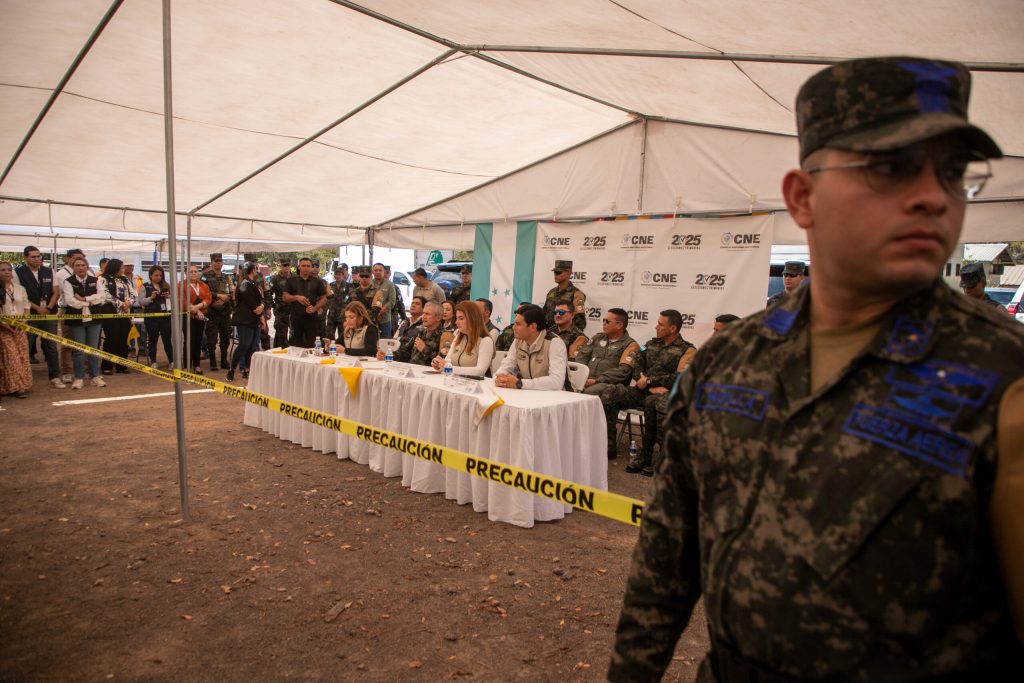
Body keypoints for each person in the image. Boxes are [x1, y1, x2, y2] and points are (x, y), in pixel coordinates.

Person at [610, 56, 1024, 681]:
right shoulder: (728, 359)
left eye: (953, 172)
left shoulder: (1002, 378)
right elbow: (666, 562)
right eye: (890, 168)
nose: (933, 197)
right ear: (802, 198)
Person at [599, 310, 696, 472]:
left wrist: (650, 381)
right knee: (610, 392)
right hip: (643, 391)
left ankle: (649, 456)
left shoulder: (687, 350)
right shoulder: (650, 344)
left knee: (654, 403)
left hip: (665, 394)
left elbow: (680, 376)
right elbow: (636, 366)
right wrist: (647, 384)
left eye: (660, 324)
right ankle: (609, 445)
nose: (656, 327)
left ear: (672, 328)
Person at [15, 246, 63, 388]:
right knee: (26, 347)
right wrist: (37, 308)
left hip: (48, 314)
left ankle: (55, 377)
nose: (37, 259)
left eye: (38, 256)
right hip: (30, 315)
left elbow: (56, 292)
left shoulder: (49, 271)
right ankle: (22, 380)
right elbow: (20, 295)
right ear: (25, 258)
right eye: (33, 257)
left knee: (51, 347)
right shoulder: (18, 273)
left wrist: (48, 308)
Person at [494, 304, 569, 391]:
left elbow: (556, 382)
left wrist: (520, 383)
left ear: (533, 327)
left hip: (559, 396)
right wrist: (500, 378)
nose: (513, 327)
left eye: (518, 324)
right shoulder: (518, 340)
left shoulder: (554, 343)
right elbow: (506, 366)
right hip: (530, 393)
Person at [61, 256, 106, 389]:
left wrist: (84, 298)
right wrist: (90, 302)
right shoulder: (68, 282)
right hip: (76, 320)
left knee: (93, 349)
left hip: (94, 319)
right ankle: (79, 377)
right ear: (73, 268)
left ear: (87, 267)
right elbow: (70, 301)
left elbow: (101, 297)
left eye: (82, 265)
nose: (80, 268)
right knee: (79, 350)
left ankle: (95, 376)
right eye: (77, 265)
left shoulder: (96, 280)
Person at [431, 300, 495, 376]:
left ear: (473, 319)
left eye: (461, 318)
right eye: (457, 318)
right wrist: (439, 364)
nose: (456, 322)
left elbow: (480, 371)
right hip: (456, 380)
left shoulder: (485, 340)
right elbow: (448, 361)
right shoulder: (458, 337)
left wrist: (451, 369)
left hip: (477, 383)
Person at [227, 261, 266, 381]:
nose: (257, 271)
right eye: (256, 268)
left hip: (254, 320)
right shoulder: (244, 284)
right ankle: (232, 369)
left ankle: (247, 370)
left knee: (252, 346)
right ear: (253, 270)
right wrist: (260, 312)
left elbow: (261, 299)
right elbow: (252, 304)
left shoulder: (253, 283)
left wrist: (262, 306)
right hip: (244, 320)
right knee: (244, 345)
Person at [0, 260, 33, 399]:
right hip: (4, 328)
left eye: (8, 269)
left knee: (22, 356)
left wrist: (22, 322)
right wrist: (5, 324)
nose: (6, 272)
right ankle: (14, 387)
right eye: (3, 270)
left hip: (19, 327)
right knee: (11, 357)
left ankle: (23, 385)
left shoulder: (20, 289)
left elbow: (26, 307)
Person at [97, 259, 135, 375]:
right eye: (122, 267)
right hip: (110, 312)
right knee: (111, 339)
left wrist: (128, 303)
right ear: (115, 268)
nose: (124, 269)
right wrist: (120, 304)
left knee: (124, 339)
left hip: (125, 314)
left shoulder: (125, 280)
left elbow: (133, 294)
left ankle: (121, 365)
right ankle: (107, 366)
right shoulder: (102, 279)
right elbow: (105, 294)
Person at [377, 301, 443, 366]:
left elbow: (443, 361)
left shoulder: (444, 335)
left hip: (429, 371)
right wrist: (388, 355)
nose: (423, 316)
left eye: (427, 314)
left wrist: (424, 349)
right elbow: (406, 352)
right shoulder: (421, 332)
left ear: (438, 317)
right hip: (412, 368)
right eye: (423, 313)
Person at [55, 248, 86, 383]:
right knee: (67, 341)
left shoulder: (88, 271)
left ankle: (84, 368)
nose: (79, 261)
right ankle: (66, 370)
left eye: (82, 258)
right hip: (67, 309)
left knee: (85, 341)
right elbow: (65, 293)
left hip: (86, 309)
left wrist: (87, 300)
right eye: (75, 258)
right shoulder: (60, 274)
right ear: (68, 258)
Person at [282, 257, 327, 348]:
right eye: (303, 266)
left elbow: (324, 298)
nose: (306, 268)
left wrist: (315, 308)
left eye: (308, 266)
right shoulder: (291, 281)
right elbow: (285, 297)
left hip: (312, 318)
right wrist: (296, 297)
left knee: (312, 345)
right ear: (299, 267)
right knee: (295, 345)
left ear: (311, 267)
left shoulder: (317, 282)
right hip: (296, 318)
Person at [200, 253, 234, 371]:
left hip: (225, 312)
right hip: (212, 312)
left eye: (220, 261)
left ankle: (224, 361)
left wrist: (226, 298)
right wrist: (218, 296)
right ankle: (213, 362)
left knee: (225, 338)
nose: (219, 263)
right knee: (212, 339)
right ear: (211, 262)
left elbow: (231, 290)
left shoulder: (226, 277)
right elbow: (203, 292)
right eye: (216, 261)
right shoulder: (205, 276)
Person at [137, 265, 173, 368]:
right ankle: (153, 361)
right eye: (156, 275)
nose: (158, 277)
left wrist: (168, 297)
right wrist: (151, 298)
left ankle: (171, 361)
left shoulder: (166, 286)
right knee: (153, 339)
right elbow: (141, 301)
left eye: (160, 275)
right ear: (150, 275)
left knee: (167, 340)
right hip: (151, 317)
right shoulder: (145, 286)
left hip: (165, 317)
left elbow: (173, 300)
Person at [179, 264, 212, 374]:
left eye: (195, 271)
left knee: (198, 340)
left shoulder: (203, 285)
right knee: (189, 341)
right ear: (186, 273)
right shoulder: (181, 285)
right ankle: (186, 365)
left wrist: (199, 307)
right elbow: (182, 301)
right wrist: (196, 310)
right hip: (187, 316)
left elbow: (208, 298)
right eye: (191, 271)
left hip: (201, 316)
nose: (193, 273)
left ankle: (197, 365)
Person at [542, 259, 587, 330]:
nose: (555, 275)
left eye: (559, 272)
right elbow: (544, 313)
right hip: (549, 333)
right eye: (555, 272)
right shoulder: (551, 292)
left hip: (565, 334)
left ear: (568, 273)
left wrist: (566, 333)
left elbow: (580, 321)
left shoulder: (577, 294)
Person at [268, 259, 292, 348]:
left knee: (293, 333)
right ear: (281, 266)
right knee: (281, 332)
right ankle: (281, 349)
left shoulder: (294, 277)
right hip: (281, 310)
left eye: (288, 265)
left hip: (293, 309)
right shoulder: (275, 279)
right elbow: (268, 292)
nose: (287, 267)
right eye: (284, 265)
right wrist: (273, 305)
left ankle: (281, 349)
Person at [369, 262, 397, 338]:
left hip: (385, 320)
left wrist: (381, 311)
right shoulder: (369, 283)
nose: (378, 272)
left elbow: (392, 301)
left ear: (384, 271)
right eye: (376, 270)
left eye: (380, 270)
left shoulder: (390, 284)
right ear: (372, 272)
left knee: (384, 342)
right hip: (371, 319)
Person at [325, 266, 352, 342]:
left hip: (342, 313)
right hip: (332, 314)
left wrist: (345, 302)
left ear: (343, 275)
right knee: (329, 335)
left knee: (342, 335)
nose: (337, 276)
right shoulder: (330, 285)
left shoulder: (348, 286)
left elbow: (349, 297)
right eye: (336, 274)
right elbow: (327, 298)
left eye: (339, 274)